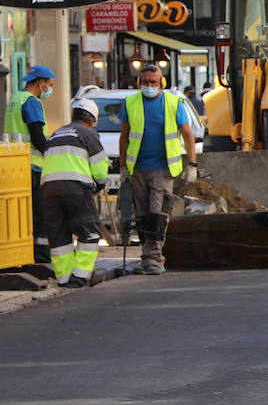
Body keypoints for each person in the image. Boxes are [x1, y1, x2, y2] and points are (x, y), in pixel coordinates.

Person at [118, 65, 197, 275]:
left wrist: (192, 164)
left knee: (157, 213)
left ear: (161, 83)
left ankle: (154, 257)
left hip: (163, 169)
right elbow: (124, 136)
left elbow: (189, 135)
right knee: (142, 214)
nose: (149, 86)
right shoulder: (130, 103)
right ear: (139, 83)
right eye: (145, 82)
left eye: (153, 82)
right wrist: (124, 167)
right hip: (138, 169)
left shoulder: (173, 102)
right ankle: (147, 256)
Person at [40, 98, 109, 288]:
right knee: (90, 233)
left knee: (59, 235)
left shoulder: (56, 133)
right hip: (76, 188)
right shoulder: (88, 133)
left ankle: (64, 278)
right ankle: (79, 277)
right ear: (93, 118)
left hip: (49, 189)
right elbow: (100, 169)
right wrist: (100, 184)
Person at [3, 65, 56, 264]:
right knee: (40, 213)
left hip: (16, 164)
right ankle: (41, 254)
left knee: (23, 214)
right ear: (40, 83)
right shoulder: (32, 102)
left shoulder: (15, 99)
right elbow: (37, 135)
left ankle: (25, 253)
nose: (51, 89)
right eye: (50, 85)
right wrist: (52, 154)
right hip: (33, 165)